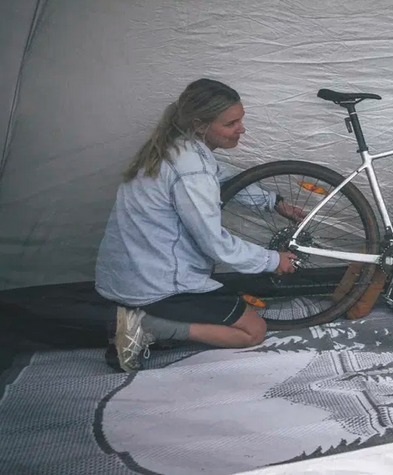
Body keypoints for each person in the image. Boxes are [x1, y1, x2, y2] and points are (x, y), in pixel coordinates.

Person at [95, 78, 309, 371]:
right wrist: (273, 260)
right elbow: (215, 243)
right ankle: (146, 327)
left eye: (241, 119)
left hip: (132, 274)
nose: (241, 128)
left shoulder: (180, 147)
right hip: (160, 284)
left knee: (235, 315)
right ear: (200, 125)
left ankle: (145, 321)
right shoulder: (191, 168)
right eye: (231, 123)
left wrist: (274, 202)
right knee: (253, 331)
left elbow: (223, 178)